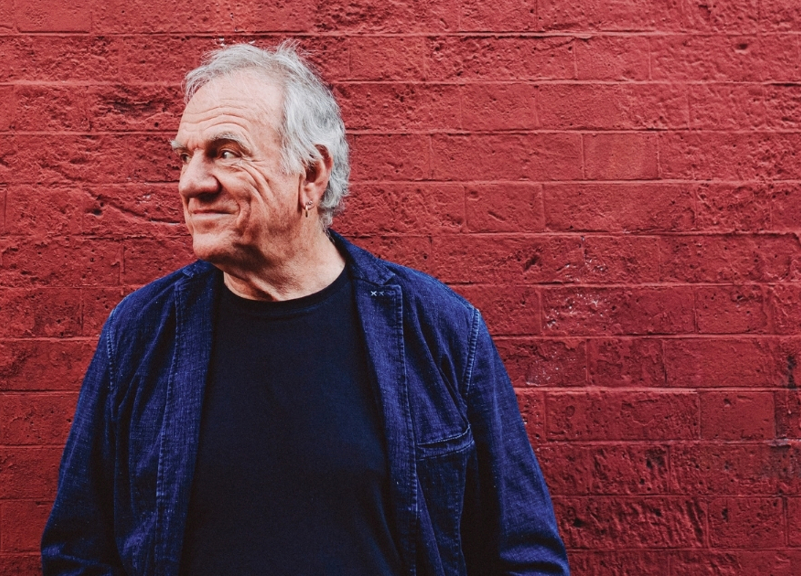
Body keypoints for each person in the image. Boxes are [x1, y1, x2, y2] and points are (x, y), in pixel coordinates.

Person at [41, 41, 569, 576]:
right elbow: (77, 553)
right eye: (185, 156)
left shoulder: (440, 329)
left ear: (311, 174)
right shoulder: (140, 332)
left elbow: (523, 555)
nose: (191, 183)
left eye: (226, 152)